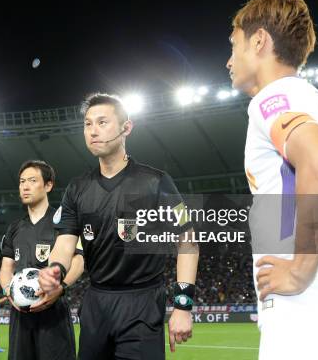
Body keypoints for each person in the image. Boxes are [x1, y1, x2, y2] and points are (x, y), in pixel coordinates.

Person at [226, 0, 318, 359]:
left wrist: (300, 271)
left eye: (233, 46)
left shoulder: (273, 98)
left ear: (259, 40)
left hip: (307, 307)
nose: (228, 61)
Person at [38, 93, 199, 360]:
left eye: (102, 122)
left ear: (127, 127)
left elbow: (188, 242)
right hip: (96, 303)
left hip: (143, 303)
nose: (93, 131)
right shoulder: (77, 188)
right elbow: (65, 243)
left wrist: (183, 305)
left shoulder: (156, 182)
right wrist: (54, 270)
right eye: (88, 124)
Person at [0, 160, 84, 360]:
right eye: (21, 182)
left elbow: (79, 261)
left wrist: (60, 287)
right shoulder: (14, 228)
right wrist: (8, 291)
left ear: (48, 185)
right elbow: (5, 269)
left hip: (54, 314)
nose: (25, 186)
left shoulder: (64, 221)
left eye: (32, 180)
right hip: (20, 315)